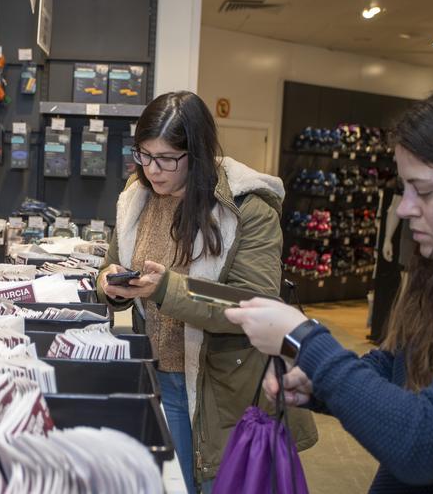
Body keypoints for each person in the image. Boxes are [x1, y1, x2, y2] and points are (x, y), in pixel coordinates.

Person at [226, 79, 433, 492]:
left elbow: (424, 444)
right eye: (404, 188)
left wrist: (307, 342)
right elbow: (400, 367)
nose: (403, 209)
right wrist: (320, 383)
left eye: (423, 191)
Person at [95, 91, 317, 493]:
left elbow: (255, 303)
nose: (152, 169)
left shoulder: (247, 209)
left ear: (195, 153)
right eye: (144, 155)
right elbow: (111, 262)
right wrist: (112, 285)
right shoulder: (138, 196)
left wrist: (166, 289)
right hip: (157, 377)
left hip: (221, 387)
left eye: (166, 158)